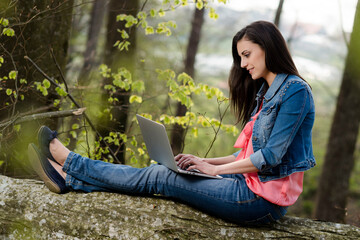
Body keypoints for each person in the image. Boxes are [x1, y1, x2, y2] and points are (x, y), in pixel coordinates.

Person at [28, 20, 315, 225]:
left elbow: (269, 157)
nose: (242, 64)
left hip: (258, 202)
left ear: (267, 47)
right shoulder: (267, 93)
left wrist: (212, 169)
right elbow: (245, 156)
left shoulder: (295, 91)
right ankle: (70, 179)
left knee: (161, 177)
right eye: (240, 57)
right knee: (162, 169)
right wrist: (204, 162)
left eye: (246, 55)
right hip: (246, 184)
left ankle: (71, 163)